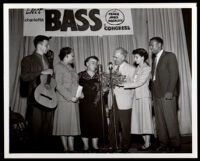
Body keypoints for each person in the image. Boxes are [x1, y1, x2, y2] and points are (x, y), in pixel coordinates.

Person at [20, 35, 54, 151]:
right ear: (39, 45)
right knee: (35, 129)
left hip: (49, 98)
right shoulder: (28, 59)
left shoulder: (48, 60)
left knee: (47, 129)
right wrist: (42, 71)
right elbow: (24, 77)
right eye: (46, 45)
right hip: (36, 99)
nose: (48, 47)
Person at [149, 37, 181, 152]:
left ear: (160, 45)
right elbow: (154, 79)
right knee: (160, 122)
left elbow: (174, 75)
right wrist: (152, 96)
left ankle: (175, 145)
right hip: (156, 95)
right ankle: (163, 144)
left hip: (167, 94)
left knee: (170, 121)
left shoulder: (170, 56)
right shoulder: (154, 59)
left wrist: (170, 91)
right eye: (150, 45)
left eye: (152, 45)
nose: (151, 47)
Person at [122, 48, 154, 151]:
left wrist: (123, 85)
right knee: (138, 121)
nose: (135, 59)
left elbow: (139, 82)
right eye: (134, 57)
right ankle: (146, 142)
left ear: (142, 58)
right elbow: (132, 80)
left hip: (144, 97)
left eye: (136, 57)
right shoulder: (137, 69)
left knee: (145, 121)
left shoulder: (147, 68)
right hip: (136, 97)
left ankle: (148, 143)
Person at [52, 47, 81, 152]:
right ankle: (65, 149)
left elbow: (75, 83)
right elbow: (58, 85)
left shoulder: (70, 67)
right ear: (66, 55)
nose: (73, 58)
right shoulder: (58, 67)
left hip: (74, 100)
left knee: (72, 126)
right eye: (72, 55)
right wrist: (69, 97)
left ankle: (71, 148)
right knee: (63, 125)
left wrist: (79, 94)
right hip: (64, 100)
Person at [78, 56, 108, 152]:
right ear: (86, 64)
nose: (95, 65)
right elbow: (75, 87)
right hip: (84, 104)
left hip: (97, 103)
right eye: (92, 62)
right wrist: (78, 94)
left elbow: (106, 88)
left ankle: (95, 146)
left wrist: (105, 90)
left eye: (96, 63)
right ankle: (86, 146)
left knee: (97, 124)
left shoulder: (100, 76)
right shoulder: (79, 75)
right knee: (84, 123)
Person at [109, 47, 136, 153]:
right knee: (112, 124)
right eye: (114, 56)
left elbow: (134, 86)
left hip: (125, 101)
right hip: (113, 99)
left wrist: (131, 99)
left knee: (125, 126)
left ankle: (125, 146)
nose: (114, 58)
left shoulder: (131, 69)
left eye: (116, 56)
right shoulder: (112, 68)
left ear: (123, 57)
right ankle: (113, 145)